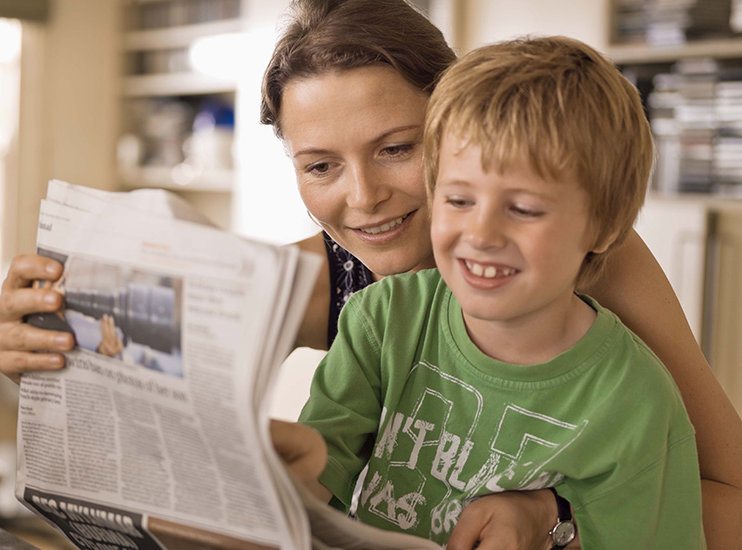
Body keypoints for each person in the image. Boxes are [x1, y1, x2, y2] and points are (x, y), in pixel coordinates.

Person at [0, 0, 742, 547]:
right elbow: (152, 386)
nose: (363, 199)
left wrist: (552, 514)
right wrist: (54, 345)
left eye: (396, 148)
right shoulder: (328, 285)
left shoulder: (584, 263)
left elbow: (724, 497)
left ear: (457, 130)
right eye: (320, 165)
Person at [297, 35, 705, 549]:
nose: (482, 234)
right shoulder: (379, 318)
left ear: (604, 227)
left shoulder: (637, 400)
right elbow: (313, 469)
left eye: (525, 209)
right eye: (459, 199)